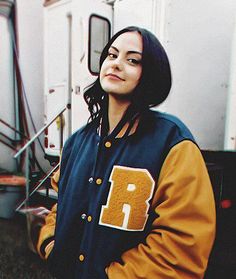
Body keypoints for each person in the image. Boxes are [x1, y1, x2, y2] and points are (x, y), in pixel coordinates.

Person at [37, 26, 216, 279]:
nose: (117, 64)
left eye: (132, 60)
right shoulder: (77, 142)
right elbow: (59, 205)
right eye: (111, 55)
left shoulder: (173, 144)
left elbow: (181, 245)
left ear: (152, 74)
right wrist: (51, 244)